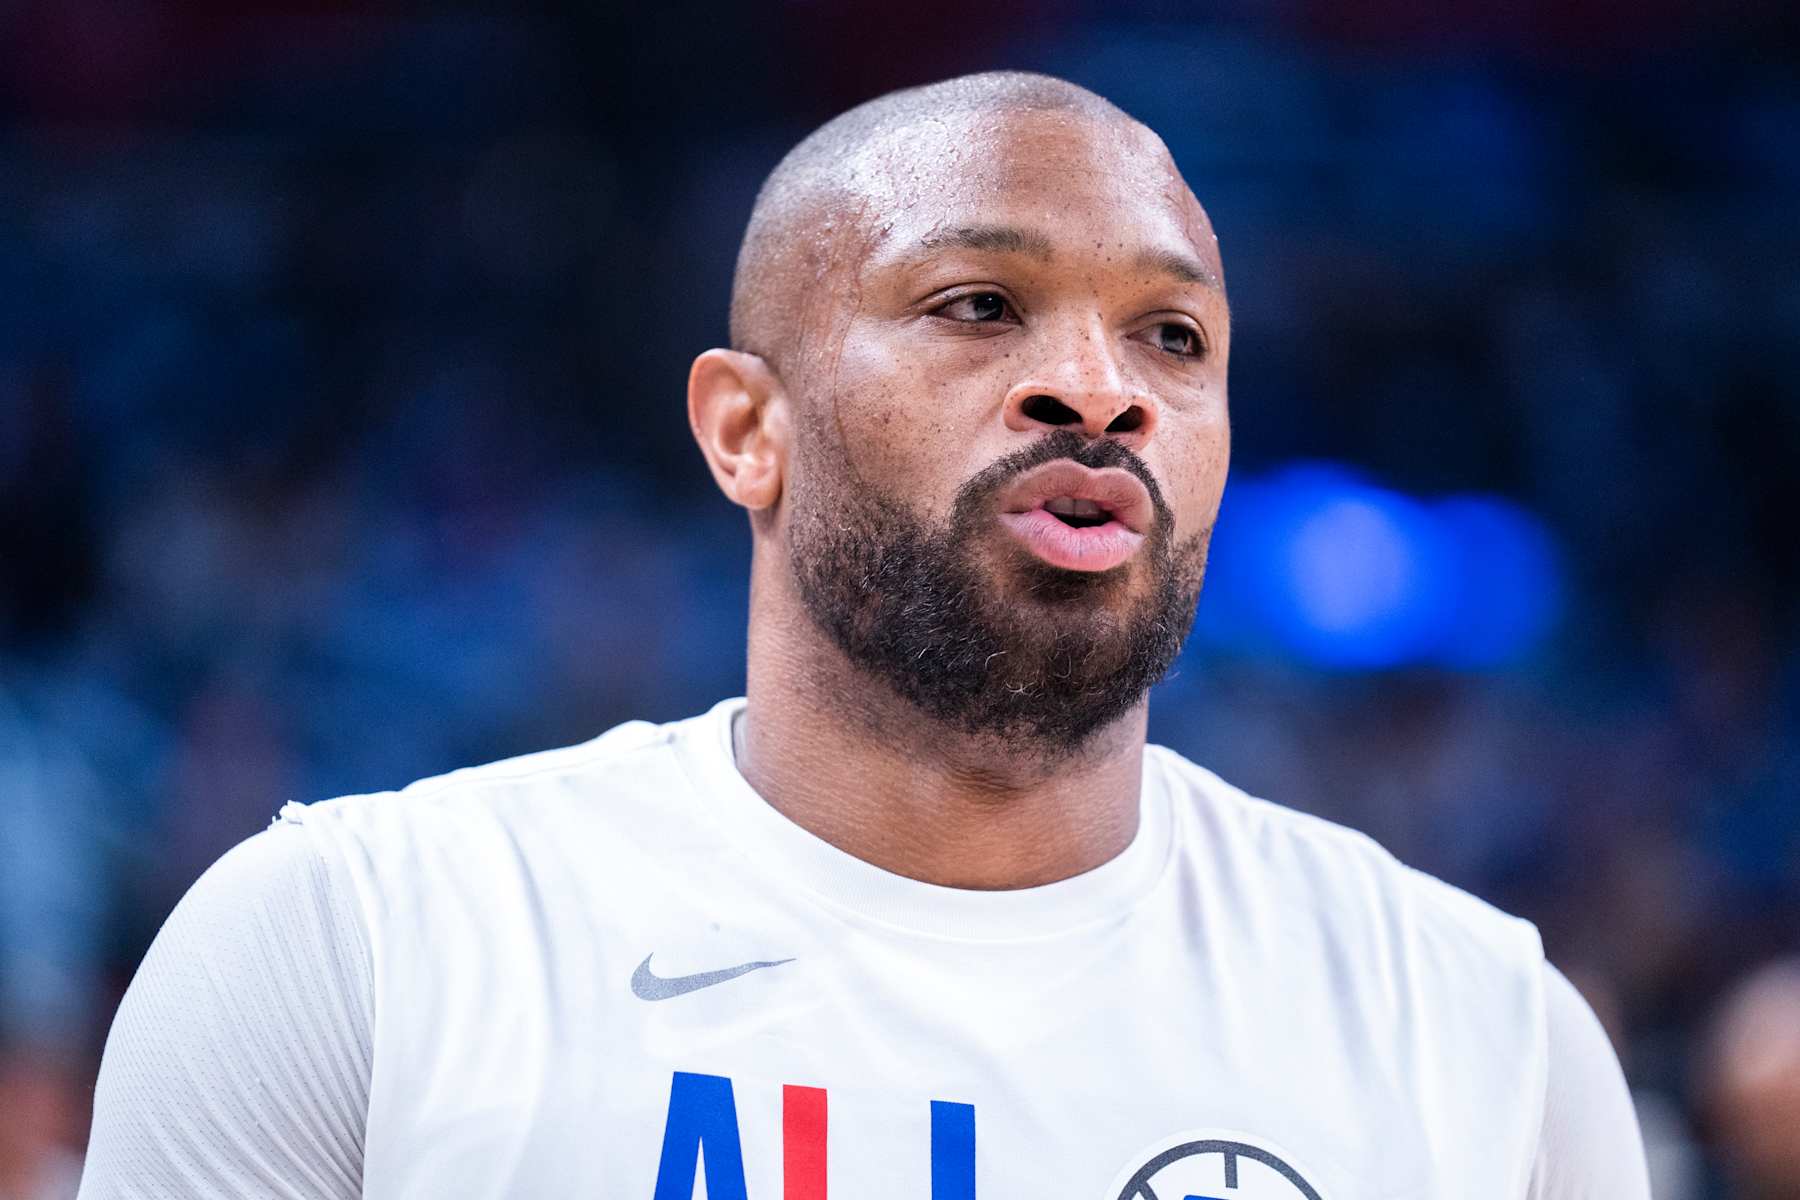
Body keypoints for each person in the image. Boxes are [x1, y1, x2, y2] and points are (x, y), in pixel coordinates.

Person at [77, 71, 1649, 1199]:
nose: (1097, 388)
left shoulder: (1478, 1030)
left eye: (1174, 337)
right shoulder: (356, 951)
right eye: (978, 304)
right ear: (744, 429)